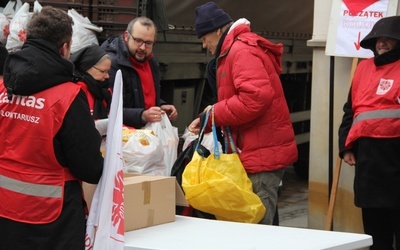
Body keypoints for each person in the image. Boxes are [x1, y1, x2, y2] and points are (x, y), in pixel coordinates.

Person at [0, 6, 104, 250]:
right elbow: (89, 168)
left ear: (27, 38)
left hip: (5, 211)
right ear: (64, 48)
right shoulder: (68, 96)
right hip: (51, 220)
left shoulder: (4, 89)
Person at [188, 2, 298, 225]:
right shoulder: (235, 50)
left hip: (261, 155)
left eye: (204, 37)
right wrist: (209, 119)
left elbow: (255, 98)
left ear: (217, 30)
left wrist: (214, 113)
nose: (203, 45)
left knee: (259, 230)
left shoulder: (241, 50)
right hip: (257, 151)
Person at [338, 15, 400, 250]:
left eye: (388, 38)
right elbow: (350, 111)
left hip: (396, 157)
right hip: (368, 161)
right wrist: (345, 146)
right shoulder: (363, 68)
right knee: (376, 233)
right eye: (378, 39)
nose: (381, 43)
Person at [101, 16, 178, 128]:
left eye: (148, 43)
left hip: (145, 134)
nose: (142, 47)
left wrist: (161, 106)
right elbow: (109, 109)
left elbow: (142, 97)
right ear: (127, 36)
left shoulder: (151, 61)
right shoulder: (112, 64)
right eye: (138, 41)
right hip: (124, 137)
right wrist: (142, 115)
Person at [70, 44, 112, 120]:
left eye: (108, 71)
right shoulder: (76, 92)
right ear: (86, 67)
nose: (107, 76)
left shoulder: (105, 91)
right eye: (103, 71)